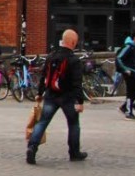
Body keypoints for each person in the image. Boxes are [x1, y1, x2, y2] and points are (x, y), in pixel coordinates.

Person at [27, 29, 89, 165]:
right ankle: (74, 153)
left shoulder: (51, 56)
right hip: (68, 97)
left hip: (51, 95)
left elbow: (44, 76)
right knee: (73, 124)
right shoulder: (74, 60)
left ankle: (32, 147)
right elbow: (77, 83)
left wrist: (39, 93)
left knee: (42, 122)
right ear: (73, 42)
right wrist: (79, 101)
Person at [115, 30, 135, 120]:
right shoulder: (129, 46)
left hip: (134, 72)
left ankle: (125, 107)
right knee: (131, 92)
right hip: (130, 72)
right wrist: (125, 69)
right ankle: (128, 112)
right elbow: (119, 58)